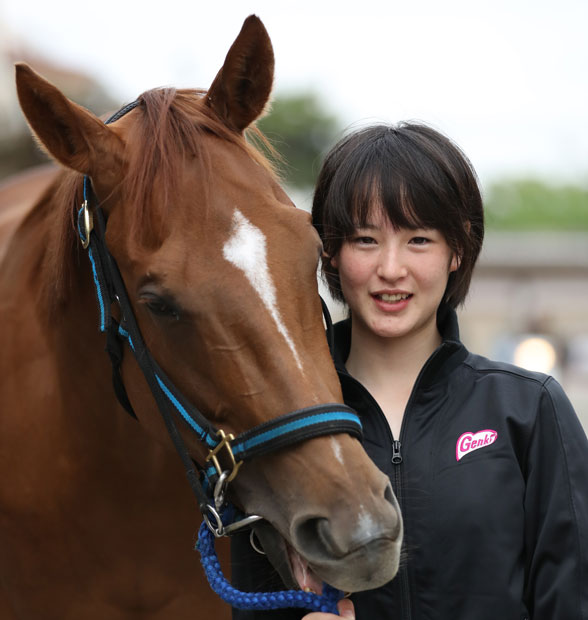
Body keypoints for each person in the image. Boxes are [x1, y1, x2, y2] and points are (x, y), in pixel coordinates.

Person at [231, 123, 588, 620]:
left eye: (419, 239)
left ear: (457, 251)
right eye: (365, 240)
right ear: (330, 253)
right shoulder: (279, 424)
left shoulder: (529, 409)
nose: (391, 268)